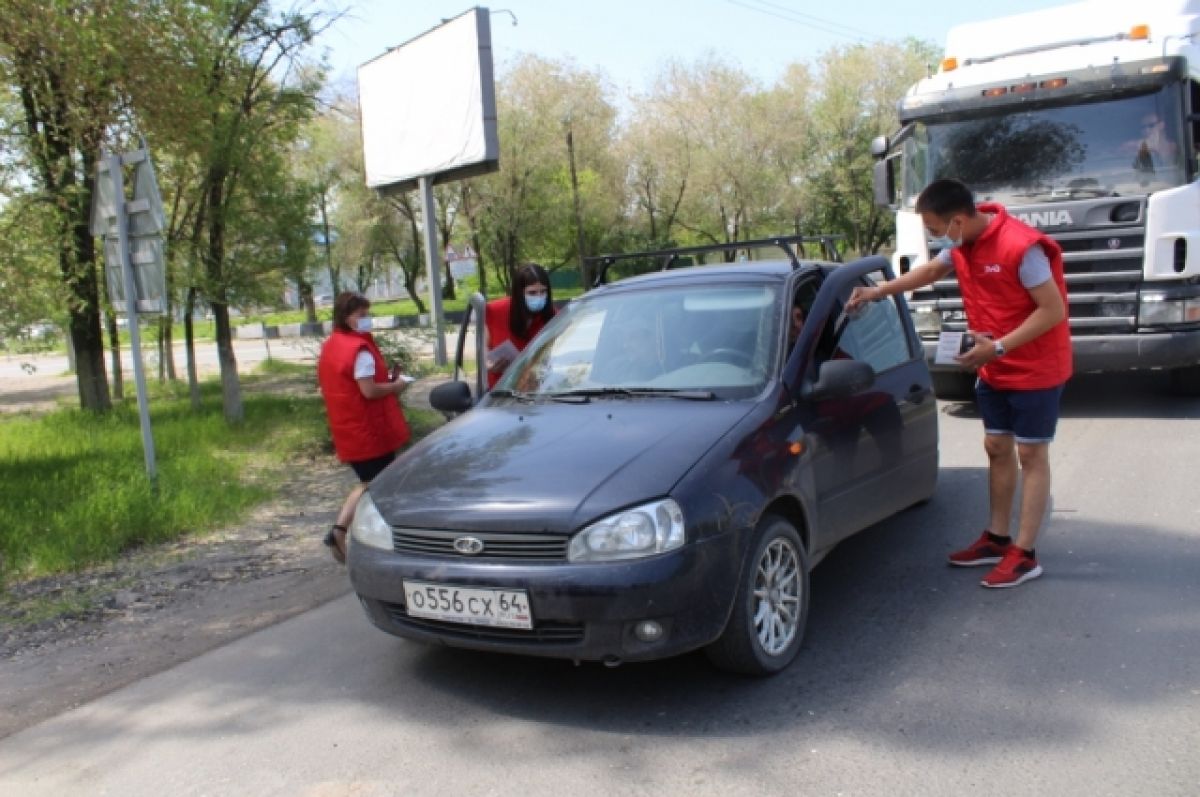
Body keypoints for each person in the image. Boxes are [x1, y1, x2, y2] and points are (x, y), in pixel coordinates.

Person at [847, 178, 1071, 588]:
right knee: (996, 448)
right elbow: (932, 271)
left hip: (1034, 367)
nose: (934, 237)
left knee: (1031, 456)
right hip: (995, 366)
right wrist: (877, 292)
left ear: (957, 220)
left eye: (935, 229)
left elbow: (1052, 311)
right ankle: (998, 539)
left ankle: (1025, 555)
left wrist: (999, 347)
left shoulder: (1022, 247)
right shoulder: (962, 244)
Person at [317, 292, 411, 564]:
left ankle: (339, 532)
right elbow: (369, 391)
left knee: (369, 483)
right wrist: (397, 385)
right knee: (378, 486)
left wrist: (387, 378)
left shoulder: (334, 344)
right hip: (368, 431)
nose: (367, 320)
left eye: (367, 314)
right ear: (346, 317)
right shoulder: (358, 350)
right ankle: (351, 534)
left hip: (348, 428)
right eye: (362, 315)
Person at [484, 263, 557, 388]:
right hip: (499, 391)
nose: (539, 297)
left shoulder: (554, 316)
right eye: (532, 293)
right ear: (519, 293)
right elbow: (482, 347)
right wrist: (489, 364)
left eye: (543, 291)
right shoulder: (495, 311)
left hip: (538, 390)